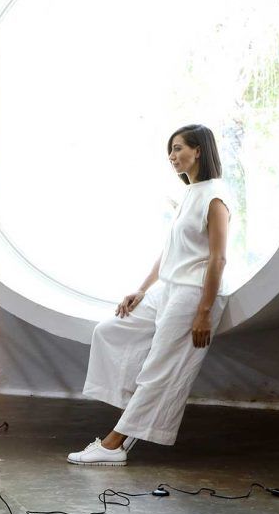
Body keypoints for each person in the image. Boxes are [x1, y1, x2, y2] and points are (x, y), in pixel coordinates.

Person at [67, 124, 231, 466]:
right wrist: (142, 289)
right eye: (170, 151)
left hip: (192, 294)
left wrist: (204, 311)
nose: (172, 156)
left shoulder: (215, 196)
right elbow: (170, 251)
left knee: (160, 368)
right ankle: (135, 415)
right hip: (168, 288)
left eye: (178, 148)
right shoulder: (191, 192)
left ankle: (114, 445)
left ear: (198, 150)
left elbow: (217, 258)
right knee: (110, 331)